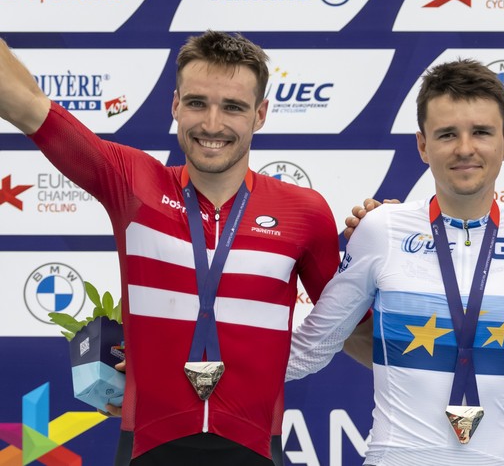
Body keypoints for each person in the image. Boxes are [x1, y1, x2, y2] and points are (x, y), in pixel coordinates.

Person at [0, 31, 343, 465]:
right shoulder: (133, 183)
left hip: (256, 448)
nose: (212, 124)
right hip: (147, 447)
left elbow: (354, 328)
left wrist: (386, 244)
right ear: (175, 104)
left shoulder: (304, 212)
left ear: (260, 115)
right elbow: (25, 103)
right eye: (197, 103)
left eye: (233, 107)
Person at [285, 59, 504, 465]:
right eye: (447, 134)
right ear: (423, 145)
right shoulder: (382, 228)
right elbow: (309, 350)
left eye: (481, 132)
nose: (465, 148)